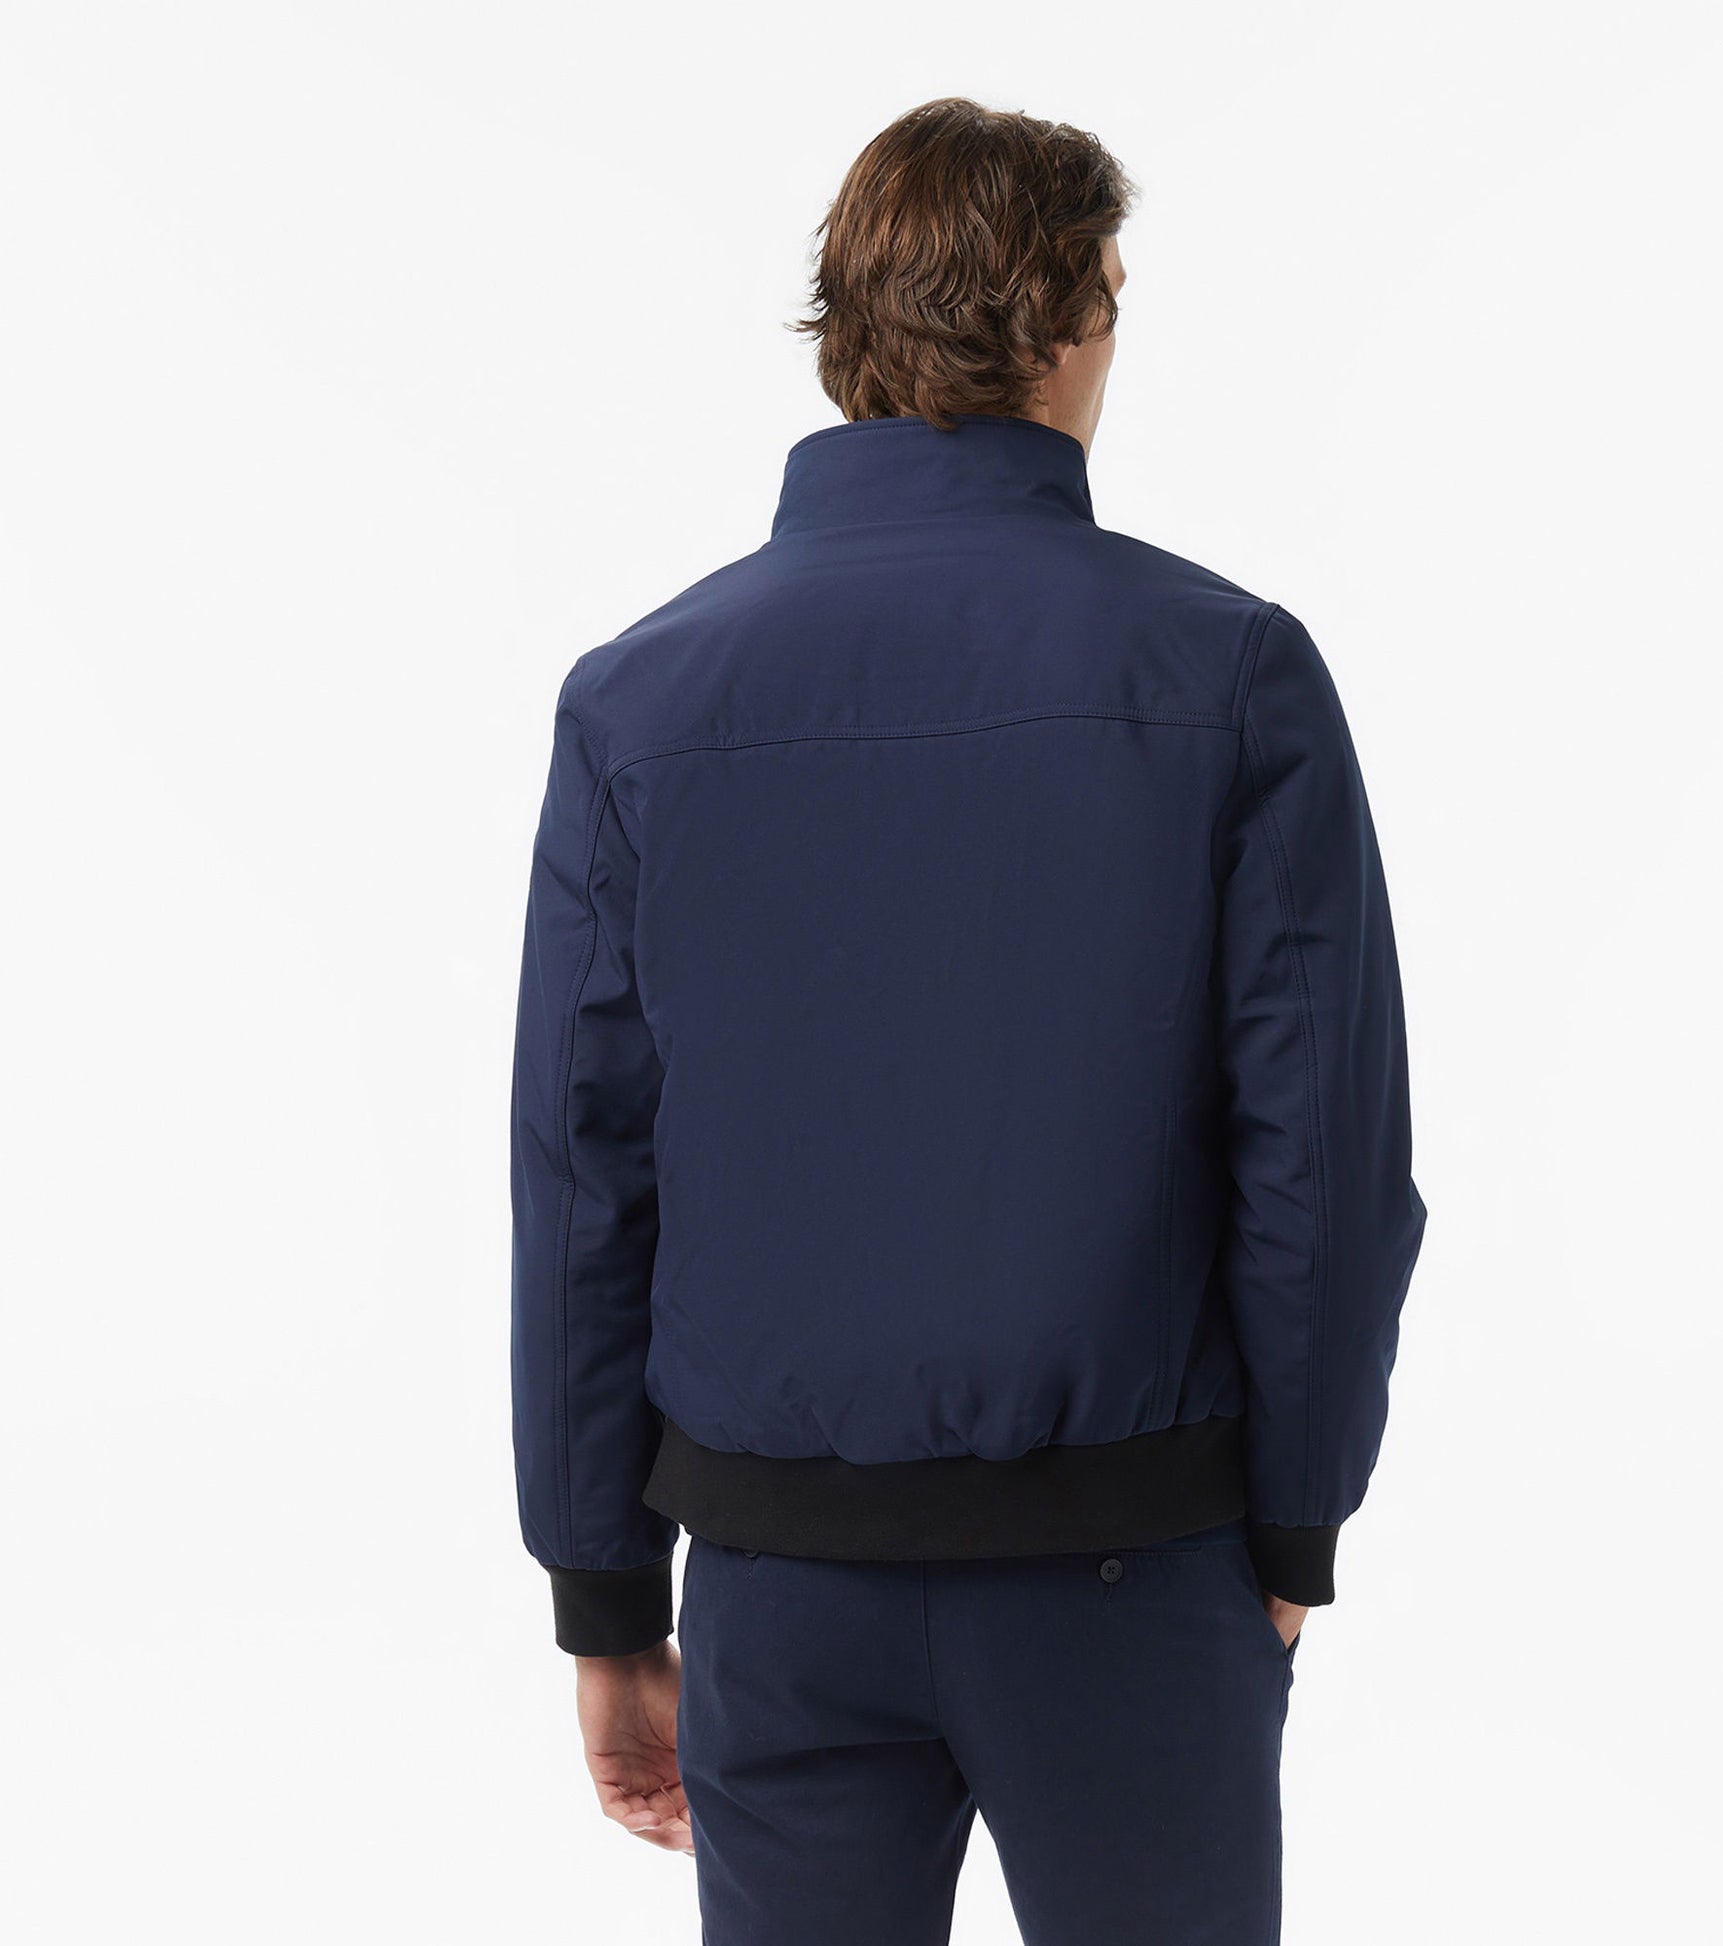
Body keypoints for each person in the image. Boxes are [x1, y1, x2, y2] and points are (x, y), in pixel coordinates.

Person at [510, 95, 1426, 1945]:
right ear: (1078, 317)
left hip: (775, 1583)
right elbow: (1323, 1158)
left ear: (845, 324)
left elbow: (582, 1178)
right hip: (1134, 1570)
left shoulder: (640, 700)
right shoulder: (1227, 671)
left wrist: (604, 1593)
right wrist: (1293, 1523)